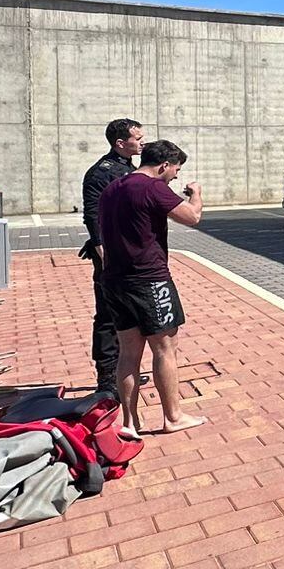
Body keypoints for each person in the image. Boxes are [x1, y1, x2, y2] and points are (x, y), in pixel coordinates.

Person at [97, 139, 207, 436]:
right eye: (175, 170)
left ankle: (130, 423)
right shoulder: (153, 187)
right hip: (150, 279)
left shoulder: (113, 188)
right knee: (165, 347)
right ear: (164, 165)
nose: (175, 177)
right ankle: (173, 417)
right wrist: (195, 195)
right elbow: (192, 217)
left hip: (115, 280)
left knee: (128, 352)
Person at [79, 118, 142, 395]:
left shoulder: (129, 168)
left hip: (129, 252)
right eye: (137, 138)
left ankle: (125, 372)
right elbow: (93, 215)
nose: (142, 142)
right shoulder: (100, 173)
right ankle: (106, 378)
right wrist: (102, 250)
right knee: (107, 315)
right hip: (110, 254)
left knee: (130, 314)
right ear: (120, 143)